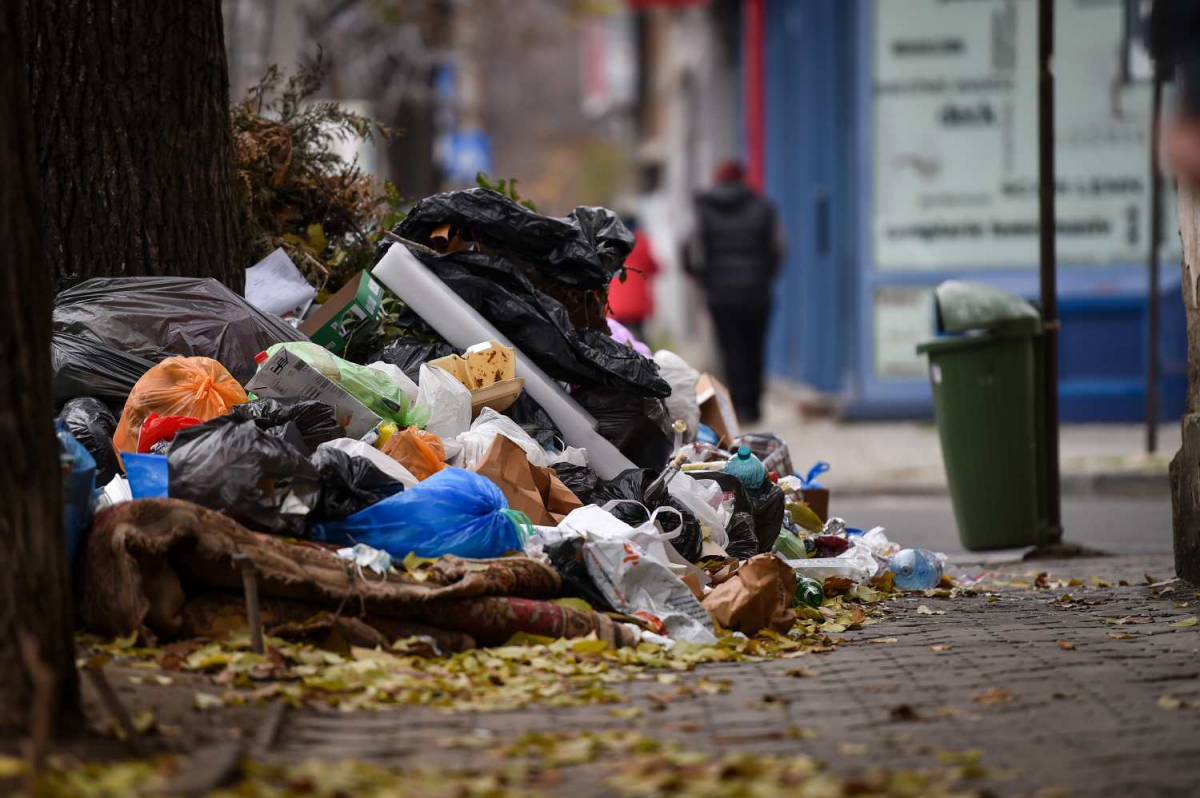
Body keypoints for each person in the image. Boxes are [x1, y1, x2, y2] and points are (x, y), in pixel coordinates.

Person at [685, 160, 785, 424]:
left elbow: (691, 249)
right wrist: (764, 276)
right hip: (756, 291)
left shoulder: (704, 208)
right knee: (755, 347)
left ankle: (738, 405)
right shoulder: (762, 206)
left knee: (730, 349)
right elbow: (777, 249)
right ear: (742, 179)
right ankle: (754, 405)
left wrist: (703, 278)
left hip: (721, 292)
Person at [607, 216, 658, 342]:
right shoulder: (641, 244)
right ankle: (648, 358)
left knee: (621, 339)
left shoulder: (610, 246)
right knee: (640, 336)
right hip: (637, 304)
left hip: (615, 305)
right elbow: (654, 268)